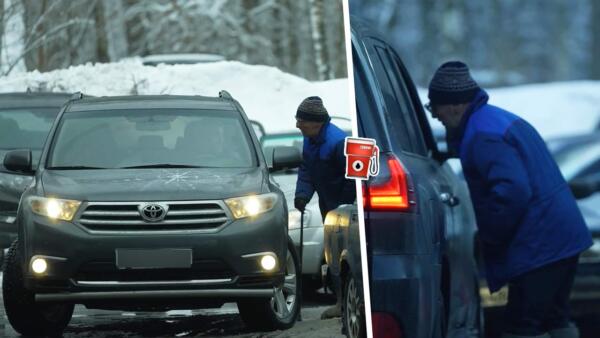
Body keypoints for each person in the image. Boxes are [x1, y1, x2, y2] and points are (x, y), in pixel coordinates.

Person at [426, 61, 592, 338]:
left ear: (454, 105)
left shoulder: (483, 136)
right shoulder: (494, 120)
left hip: (540, 246)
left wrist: (489, 234)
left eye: (435, 107)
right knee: (554, 320)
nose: (435, 116)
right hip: (561, 239)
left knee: (521, 327)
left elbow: (513, 191)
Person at [293, 96, 356, 319]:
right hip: (327, 206)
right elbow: (307, 169)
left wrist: (345, 205)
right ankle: (340, 302)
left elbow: (352, 178)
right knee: (332, 255)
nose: (297, 124)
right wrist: (302, 195)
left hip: (345, 208)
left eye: (301, 120)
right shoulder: (310, 140)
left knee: (345, 255)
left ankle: (349, 302)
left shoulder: (338, 142)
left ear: (315, 123)